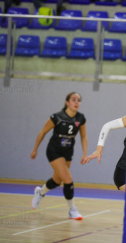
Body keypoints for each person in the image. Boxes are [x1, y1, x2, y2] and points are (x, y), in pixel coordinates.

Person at [30, 92, 88, 220]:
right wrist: (35, 149)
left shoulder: (80, 118)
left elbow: (83, 136)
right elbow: (43, 132)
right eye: (73, 99)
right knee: (68, 179)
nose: (76, 102)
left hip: (68, 152)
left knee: (57, 180)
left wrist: (84, 154)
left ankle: (40, 192)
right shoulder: (57, 117)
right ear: (67, 102)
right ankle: (72, 210)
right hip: (54, 151)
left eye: (79, 100)